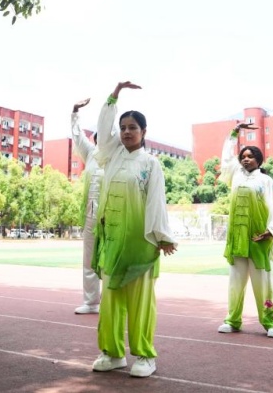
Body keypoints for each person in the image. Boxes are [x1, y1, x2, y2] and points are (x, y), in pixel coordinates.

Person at [90, 81, 177, 378]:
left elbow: (156, 202)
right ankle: (112, 353)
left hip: (140, 243)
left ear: (144, 133)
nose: (127, 131)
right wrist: (113, 95)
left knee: (140, 304)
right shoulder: (111, 156)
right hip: (112, 243)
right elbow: (103, 128)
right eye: (123, 127)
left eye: (133, 127)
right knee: (111, 302)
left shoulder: (150, 164)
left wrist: (161, 237)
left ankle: (143, 355)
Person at [217, 123, 273, 338]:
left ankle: (271, 322)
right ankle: (233, 320)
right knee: (235, 283)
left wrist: (271, 231)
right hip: (237, 240)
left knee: (263, 283)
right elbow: (227, 158)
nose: (246, 159)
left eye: (250, 156)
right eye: (243, 156)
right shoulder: (235, 176)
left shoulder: (265, 181)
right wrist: (234, 133)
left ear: (259, 159)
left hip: (259, 239)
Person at [71, 98, 103, 314]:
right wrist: (75, 112)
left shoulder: (119, 157)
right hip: (91, 214)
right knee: (89, 258)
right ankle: (91, 302)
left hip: (113, 215)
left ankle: (113, 300)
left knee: (111, 258)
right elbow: (77, 135)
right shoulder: (91, 153)